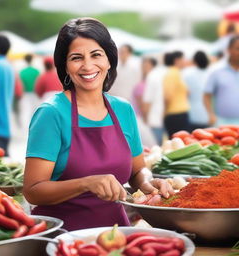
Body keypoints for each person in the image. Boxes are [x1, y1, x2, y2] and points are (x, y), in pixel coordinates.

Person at [23, 17, 173, 231]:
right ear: (64, 65)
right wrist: (86, 183)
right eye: (76, 58)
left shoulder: (123, 110)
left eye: (96, 55)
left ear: (109, 60)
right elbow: (33, 190)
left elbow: (137, 171)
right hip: (62, 236)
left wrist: (148, 182)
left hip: (117, 234)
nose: (87, 65)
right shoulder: (51, 113)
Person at [204, 35, 239, 126]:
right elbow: (207, 95)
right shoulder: (216, 70)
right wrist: (211, 115)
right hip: (221, 123)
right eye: (238, 48)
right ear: (228, 50)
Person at [142, 53, 172, 145]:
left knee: (154, 149)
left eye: (144, 65)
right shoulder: (164, 74)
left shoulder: (152, 76)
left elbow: (147, 100)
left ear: (150, 64)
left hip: (154, 120)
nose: (143, 67)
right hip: (165, 117)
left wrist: (145, 119)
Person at [163, 51, 190, 138]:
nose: (185, 61)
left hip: (179, 113)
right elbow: (167, 96)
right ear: (177, 60)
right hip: (175, 115)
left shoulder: (177, 73)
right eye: (183, 59)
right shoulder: (172, 74)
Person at [183, 51, 209, 132]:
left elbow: (185, 92)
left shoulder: (187, 73)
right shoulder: (210, 73)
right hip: (207, 114)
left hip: (191, 113)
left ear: (194, 61)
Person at [19, 54, 40, 133]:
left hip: (25, 94)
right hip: (35, 94)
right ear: (32, 60)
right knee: (35, 111)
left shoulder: (22, 72)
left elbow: (20, 84)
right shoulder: (36, 71)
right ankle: (34, 127)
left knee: (25, 111)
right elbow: (39, 83)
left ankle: (25, 129)